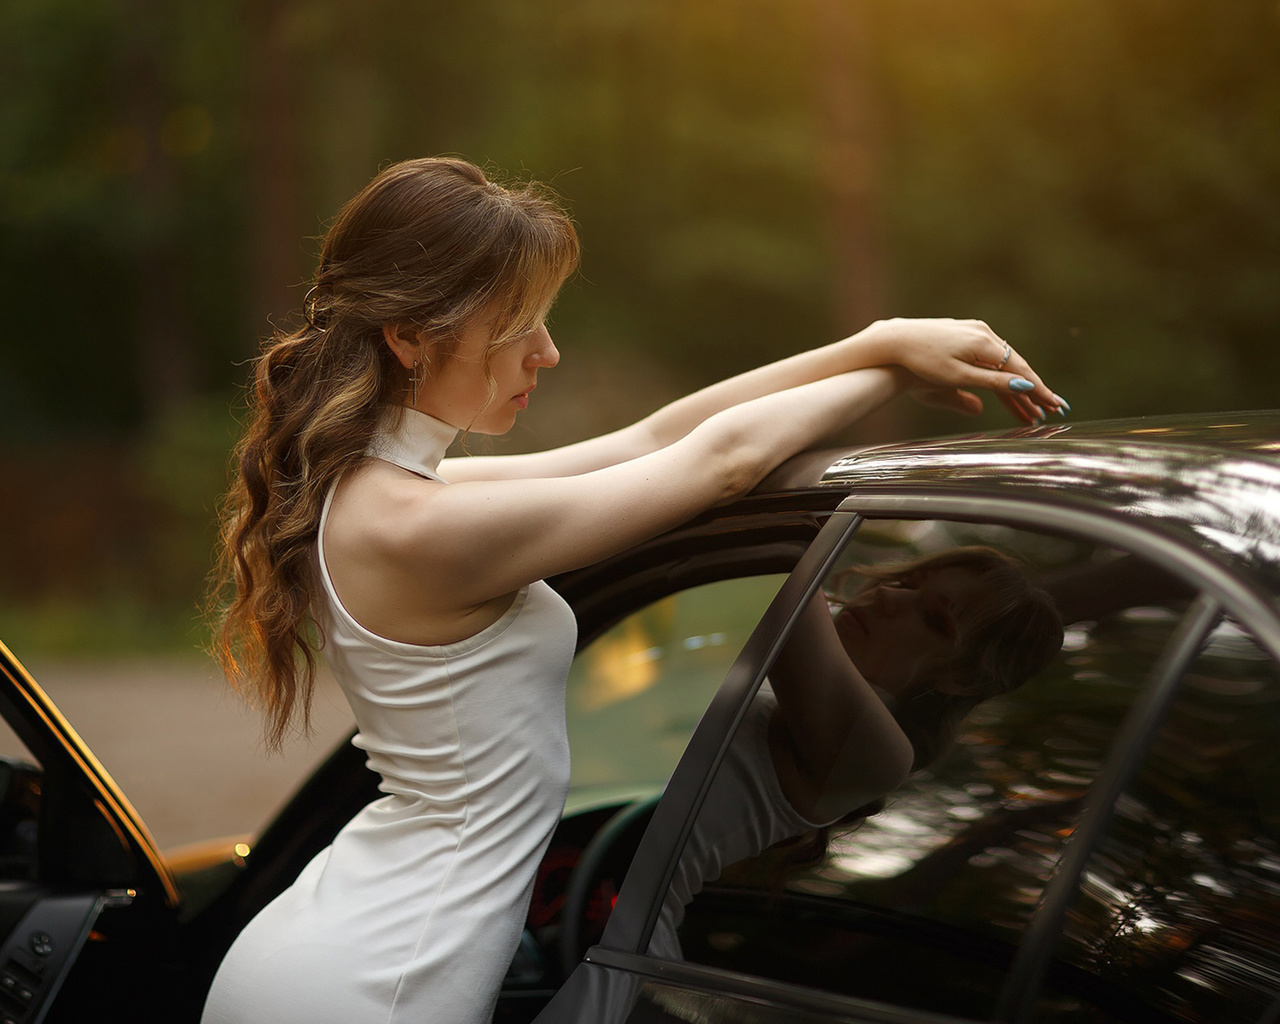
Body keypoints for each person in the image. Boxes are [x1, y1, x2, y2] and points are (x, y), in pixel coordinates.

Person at [201, 156, 1066, 1024]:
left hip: (336, 948)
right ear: (410, 336)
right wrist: (894, 372)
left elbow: (649, 438)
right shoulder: (415, 527)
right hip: (376, 985)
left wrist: (873, 345)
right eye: (519, 322)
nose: (548, 349)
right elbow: (720, 466)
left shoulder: (389, 494)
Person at [649, 547, 1064, 962]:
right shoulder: (755, 664)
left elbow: (781, 560)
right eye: (905, 582)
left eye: (933, 619)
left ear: (960, 678)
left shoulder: (882, 756)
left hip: (598, 938)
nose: (887, 595)